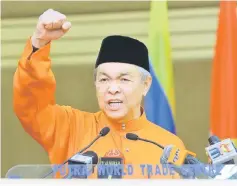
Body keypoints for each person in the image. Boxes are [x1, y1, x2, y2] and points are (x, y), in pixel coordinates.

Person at [13, 9, 186, 179]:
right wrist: (39, 43)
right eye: (104, 80)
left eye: (124, 80)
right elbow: (30, 103)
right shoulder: (70, 127)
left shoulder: (169, 147)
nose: (112, 89)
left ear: (146, 85)